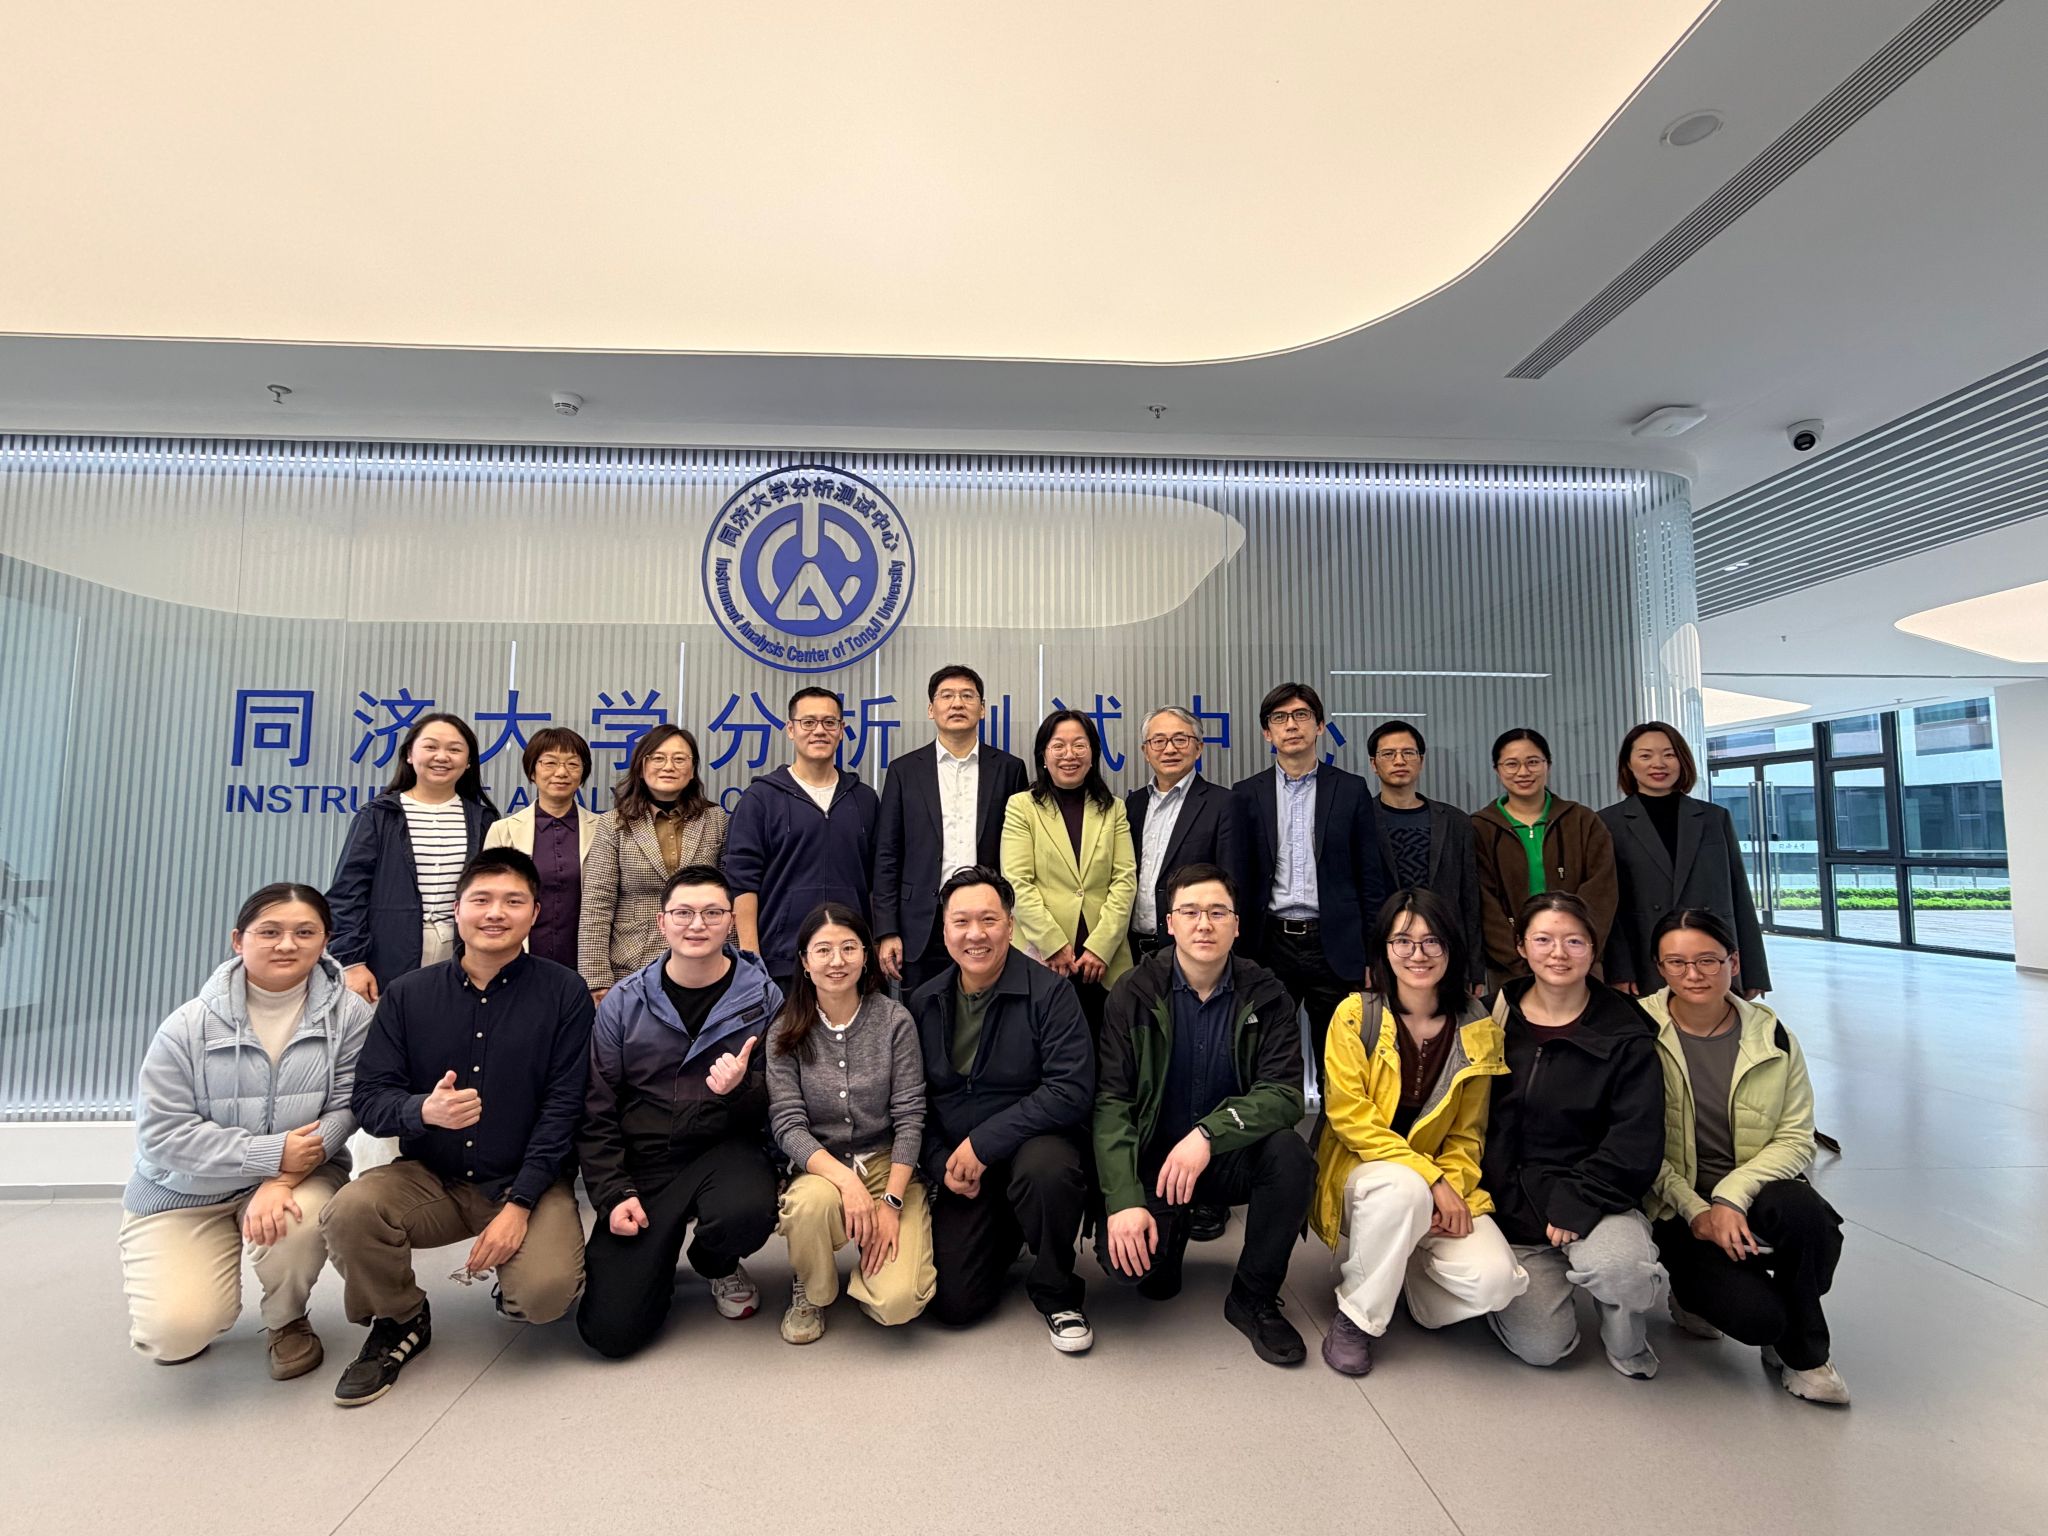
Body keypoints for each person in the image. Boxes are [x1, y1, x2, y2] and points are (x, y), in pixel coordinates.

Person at [321, 848, 593, 1407]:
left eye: (513, 901)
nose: (496, 913)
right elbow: (368, 1100)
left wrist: (520, 1205)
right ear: (456, 908)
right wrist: (421, 1110)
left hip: (526, 1180)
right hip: (432, 1176)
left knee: (543, 1298)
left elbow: (566, 1108)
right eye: (482, 899)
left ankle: (513, 1279)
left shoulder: (565, 992)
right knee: (350, 1212)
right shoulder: (407, 994)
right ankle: (401, 1318)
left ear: (535, 913)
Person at [119, 884, 369, 1379]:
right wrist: (271, 1155)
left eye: (305, 933)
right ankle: (202, 1295)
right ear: (238, 940)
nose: (287, 944)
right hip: (186, 1190)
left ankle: (286, 1320)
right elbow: (162, 1134)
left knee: (299, 1221)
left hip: (301, 1176)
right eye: (269, 932)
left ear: (326, 941)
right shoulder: (188, 1025)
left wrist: (281, 1179)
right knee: (174, 1334)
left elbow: (348, 1106)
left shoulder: (350, 1015)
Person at [1094, 864, 1315, 1367]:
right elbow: (1112, 1103)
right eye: (1190, 912)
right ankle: (1169, 1233)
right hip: (1156, 1160)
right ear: (1169, 923)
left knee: (1290, 1155)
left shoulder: (1267, 994)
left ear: (1237, 925)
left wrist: (1208, 1134)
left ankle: (1253, 1297)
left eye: (1218, 912)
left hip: (1228, 1155)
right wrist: (1123, 1200)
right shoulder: (1133, 993)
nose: (1204, 924)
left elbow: (1284, 1094)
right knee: (1134, 1273)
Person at [1310, 888, 1526, 1376]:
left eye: (1432, 941)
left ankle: (1401, 1281)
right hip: (1363, 1176)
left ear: (1451, 947)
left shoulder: (1477, 1026)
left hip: (1439, 1185)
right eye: (1403, 941)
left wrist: (1449, 1187)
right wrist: (1432, 1182)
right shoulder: (1355, 1015)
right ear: (1384, 949)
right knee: (1402, 1188)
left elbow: (1469, 1134)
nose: (1418, 954)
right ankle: (1357, 1317)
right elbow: (1350, 1118)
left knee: (1496, 1282)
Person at [576, 865, 785, 1359]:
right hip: (646, 1159)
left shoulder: (763, 998)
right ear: (661, 921)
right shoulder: (623, 1002)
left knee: (747, 1212)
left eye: (712, 913)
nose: (697, 925)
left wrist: (739, 1089)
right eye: (683, 913)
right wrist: (612, 1192)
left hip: (724, 1148)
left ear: (730, 922)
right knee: (610, 1333)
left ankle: (715, 1262)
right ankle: (652, 1262)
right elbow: (597, 1107)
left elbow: (779, 1099)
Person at [1640, 909, 1848, 1404]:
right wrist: (1699, 1213)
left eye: (1708, 960)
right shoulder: (1636, 1031)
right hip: (1676, 1204)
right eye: (1677, 963)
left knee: (1808, 1219)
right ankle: (1695, 1298)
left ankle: (1806, 1355)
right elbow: (1634, 1143)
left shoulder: (1772, 1035)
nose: (1694, 974)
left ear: (1733, 963)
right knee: (1757, 1318)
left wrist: (1731, 1196)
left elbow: (1796, 1137)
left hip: (1752, 1190)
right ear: (1660, 968)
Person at [1481, 891, 1668, 1379]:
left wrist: (1579, 1199)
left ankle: (1625, 1338)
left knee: (1622, 1270)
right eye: (1543, 939)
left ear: (1593, 947)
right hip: (1512, 1202)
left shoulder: (1626, 1030)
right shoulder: (1489, 1018)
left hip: (1597, 1196)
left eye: (1574, 941)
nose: (1558, 953)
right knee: (1544, 1348)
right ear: (1521, 946)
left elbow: (1637, 1138)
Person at [910, 866, 1095, 1351]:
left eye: (989, 920)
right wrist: (939, 1164)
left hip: (1033, 1148)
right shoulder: (924, 1001)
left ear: (1010, 926)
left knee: (1047, 1171)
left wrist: (984, 1142)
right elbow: (913, 1102)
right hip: (963, 1167)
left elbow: (1071, 1089)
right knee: (954, 1305)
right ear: (944, 930)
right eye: (961, 922)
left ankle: (1057, 1291)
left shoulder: (1051, 993)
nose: (975, 934)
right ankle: (1011, 1228)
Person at [765, 903, 934, 1342]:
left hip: (887, 1168)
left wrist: (891, 1203)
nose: (836, 961)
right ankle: (813, 1288)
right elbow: (788, 1125)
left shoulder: (894, 1021)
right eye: (823, 950)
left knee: (896, 1304)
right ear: (805, 962)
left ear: (865, 956)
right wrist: (847, 1183)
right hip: (822, 1170)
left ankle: (872, 1273)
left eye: (848, 948)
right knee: (809, 1206)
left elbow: (910, 1117)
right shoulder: (785, 1029)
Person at [1231, 682, 1385, 1090]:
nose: (1291, 725)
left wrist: (1373, 953)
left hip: (1333, 944)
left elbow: (1369, 877)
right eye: (1279, 718)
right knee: (1266, 1054)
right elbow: (1238, 877)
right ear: (1267, 733)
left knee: (1339, 1060)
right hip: (1269, 943)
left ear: (1319, 726)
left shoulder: (1350, 789)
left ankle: (1334, 1129)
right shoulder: (1246, 794)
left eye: (1301, 715)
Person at [872, 665, 1029, 997]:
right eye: (947, 696)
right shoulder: (904, 771)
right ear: (932, 709)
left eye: (967, 696)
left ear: (982, 708)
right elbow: (887, 854)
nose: (957, 703)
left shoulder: (1009, 769)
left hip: (987, 921)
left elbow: (1020, 851)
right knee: (922, 1013)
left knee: (989, 1013)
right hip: (922, 924)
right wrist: (887, 930)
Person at [328, 712, 499, 1004]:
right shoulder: (378, 816)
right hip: (387, 957)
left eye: (454, 749)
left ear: (469, 761)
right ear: (409, 754)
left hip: (463, 955)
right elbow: (347, 893)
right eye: (430, 747)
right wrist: (352, 961)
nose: (442, 757)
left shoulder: (483, 820)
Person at [725, 688, 882, 995]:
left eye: (829, 722)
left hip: (850, 961)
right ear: (791, 729)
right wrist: (751, 957)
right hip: (781, 962)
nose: (819, 731)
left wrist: (875, 945)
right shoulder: (760, 799)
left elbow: (879, 879)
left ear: (841, 730)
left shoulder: (864, 799)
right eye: (808, 722)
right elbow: (742, 882)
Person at [1601, 722, 1772, 998]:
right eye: (1645, 755)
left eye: (1669, 754)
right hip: (1645, 954)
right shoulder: (1607, 823)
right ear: (1629, 764)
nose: (1658, 763)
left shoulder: (1715, 818)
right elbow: (1609, 906)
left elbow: (1739, 893)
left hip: (1710, 952)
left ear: (1682, 760)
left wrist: (1754, 970)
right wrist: (1620, 969)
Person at [1000, 708, 1137, 1037]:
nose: (1069, 755)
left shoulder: (1113, 808)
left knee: (1107, 1050)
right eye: (1058, 745)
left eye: (1079, 745)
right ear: (1043, 755)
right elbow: (1017, 882)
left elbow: (1124, 880)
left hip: (1102, 964)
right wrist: (1053, 945)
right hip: (1041, 957)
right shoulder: (1022, 806)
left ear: (1092, 754)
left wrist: (1101, 947)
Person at [578, 724, 728, 1004]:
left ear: (692, 769)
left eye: (679, 759)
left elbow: (730, 897)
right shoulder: (614, 823)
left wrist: (737, 962)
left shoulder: (716, 820)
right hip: (632, 962)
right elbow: (597, 903)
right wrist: (597, 978)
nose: (668, 766)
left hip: (704, 961)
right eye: (658, 758)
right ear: (641, 766)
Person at [1471, 728, 1618, 988]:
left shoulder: (1582, 821)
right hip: (1511, 969)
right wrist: (1520, 955)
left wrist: (1573, 948)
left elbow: (1602, 890)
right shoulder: (1479, 828)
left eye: (1533, 762)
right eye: (1511, 764)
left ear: (1548, 764)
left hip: (1577, 964)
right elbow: (1483, 902)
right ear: (1497, 769)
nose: (1523, 772)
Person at [1365, 720, 1484, 993]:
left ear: (1421, 760)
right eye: (1388, 754)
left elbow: (1470, 900)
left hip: (1444, 949)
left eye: (1408, 753)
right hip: (1384, 953)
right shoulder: (1360, 820)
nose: (1399, 761)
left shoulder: (1455, 822)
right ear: (1374, 763)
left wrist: (1474, 968)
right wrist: (1365, 960)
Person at [483, 727, 596, 973]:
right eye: (550, 763)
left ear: (583, 774)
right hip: (518, 958)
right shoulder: (503, 830)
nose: (561, 772)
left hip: (584, 961)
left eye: (572, 764)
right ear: (532, 771)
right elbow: (489, 898)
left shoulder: (603, 829)